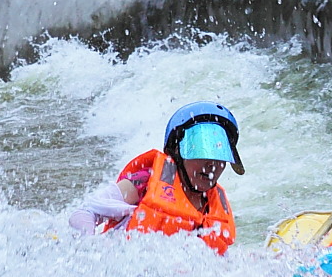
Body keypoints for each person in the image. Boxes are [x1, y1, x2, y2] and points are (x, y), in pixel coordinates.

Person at [70, 102, 243, 254]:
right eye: (200, 153)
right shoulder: (144, 180)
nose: (211, 165)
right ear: (177, 151)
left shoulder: (213, 206)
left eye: (219, 156)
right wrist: (88, 246)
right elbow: (85, 212)